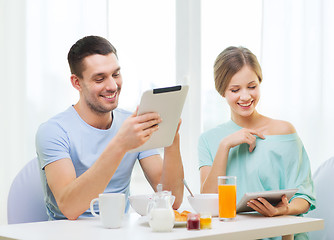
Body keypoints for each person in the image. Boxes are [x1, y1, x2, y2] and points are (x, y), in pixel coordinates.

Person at [36, 35, 184, 220]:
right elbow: (70, 208)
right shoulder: (53, 131)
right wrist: (121, 144)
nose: (113, 86)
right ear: (76, 83)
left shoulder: (131, 124)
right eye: (100, 79)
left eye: (116, 74)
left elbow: (173, 200)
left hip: (117, 232)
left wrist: (171, 136)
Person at [198, 46, 315, 239]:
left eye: (252, 87)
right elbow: (209, 204)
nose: (246, 96)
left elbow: (305, 197)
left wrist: (281, 211)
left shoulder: (285, 131)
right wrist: (225, 145)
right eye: (235, 89)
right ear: (222, 92)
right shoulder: (209, 140)